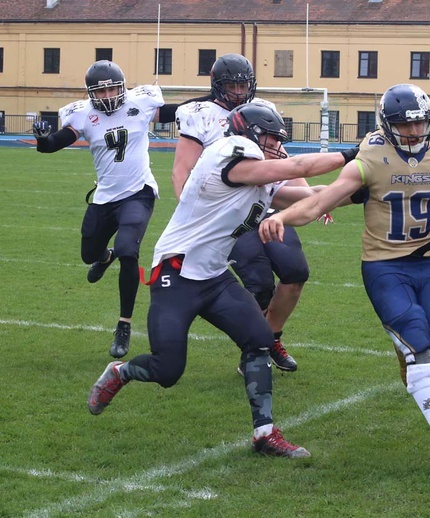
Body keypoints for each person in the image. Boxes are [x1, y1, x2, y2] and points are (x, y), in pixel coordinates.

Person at [87, 102, 359, 457]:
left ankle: (264, 433)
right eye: (271, 139)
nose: (277, 146)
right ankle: (121, 373)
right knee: (167, 370)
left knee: (259, 338)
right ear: (251, 134)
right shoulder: (231, 151)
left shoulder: (254, 170)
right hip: (177, 271)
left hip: (214, 275)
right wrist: (353, 153)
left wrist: (364, 188)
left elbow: (311, 194)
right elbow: (298, 166)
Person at [259, 83, 430, 471]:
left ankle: (407, 358)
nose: (416, 132)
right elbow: (322, 199)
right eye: (406, 125)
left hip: (426, 264)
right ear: (387, 125)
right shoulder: (369, 157)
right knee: (419, 342)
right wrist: (282, 217)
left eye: (421, 124)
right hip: (384, 266)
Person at [32, 60, 178, 359]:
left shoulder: (142, 102)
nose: (109, 94)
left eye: (113, 88)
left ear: (123, 87)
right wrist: (43, 139)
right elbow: (53, 145)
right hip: (104, 197)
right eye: (102, 91)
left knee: (128, 250)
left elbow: (178, 112)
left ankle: (123, 324)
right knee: (89, 255)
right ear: (90, 94)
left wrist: (212, 102)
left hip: (138, 193)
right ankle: (104, 256)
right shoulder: (83, 114)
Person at [173, 53, 308, 372]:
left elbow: (281, 158)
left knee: (295, 272)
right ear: (216, 84)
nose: (237, 91)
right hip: (227, 211)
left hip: (268, 202)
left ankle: (271, 336)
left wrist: (306, 195)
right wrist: (191, 215)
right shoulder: (199, 113)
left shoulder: (263, 108)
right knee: (259, 283)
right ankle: (254, 349)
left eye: (243, 84)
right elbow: (183, 169)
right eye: (231, 85)